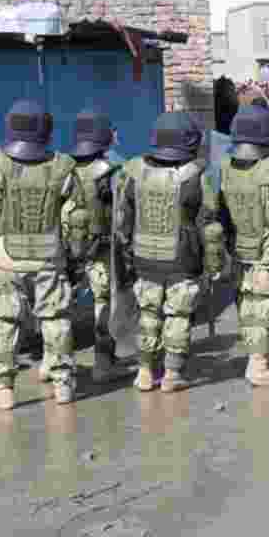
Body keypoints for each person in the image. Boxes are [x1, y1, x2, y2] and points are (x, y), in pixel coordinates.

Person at [0, 100, 89, 409]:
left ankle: (4, 391)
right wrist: (76, 257)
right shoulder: (64, 167)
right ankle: (63, 384)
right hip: (50, 256)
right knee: (56, 317)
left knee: (6, 321)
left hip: (7, 257)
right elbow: (77, 219)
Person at [116, 113, 224, 393]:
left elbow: (122, 222)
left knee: (148, 314)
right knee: (177, 316)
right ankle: (172, 374)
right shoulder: (197, 175)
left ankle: (143, 372)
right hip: (182, 259)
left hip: (144, 258)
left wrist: (127, 258)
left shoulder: (133, 172)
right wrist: (213, 266)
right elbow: (209, 224)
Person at [218, 104, 269, 386]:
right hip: (266, 249)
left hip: (239, 247)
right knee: (263, 306)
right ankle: (259, 366)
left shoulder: (226, 168)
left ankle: (255, 357)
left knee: (246, 303)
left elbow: (221, 211)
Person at [69, 108, 136, 383]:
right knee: (105, 305)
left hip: (74, 250)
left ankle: (51, 365)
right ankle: (103, 365)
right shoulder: (112, 172)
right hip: (104, 253)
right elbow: (124, 214)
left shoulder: (68, 169)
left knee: (56, 310)